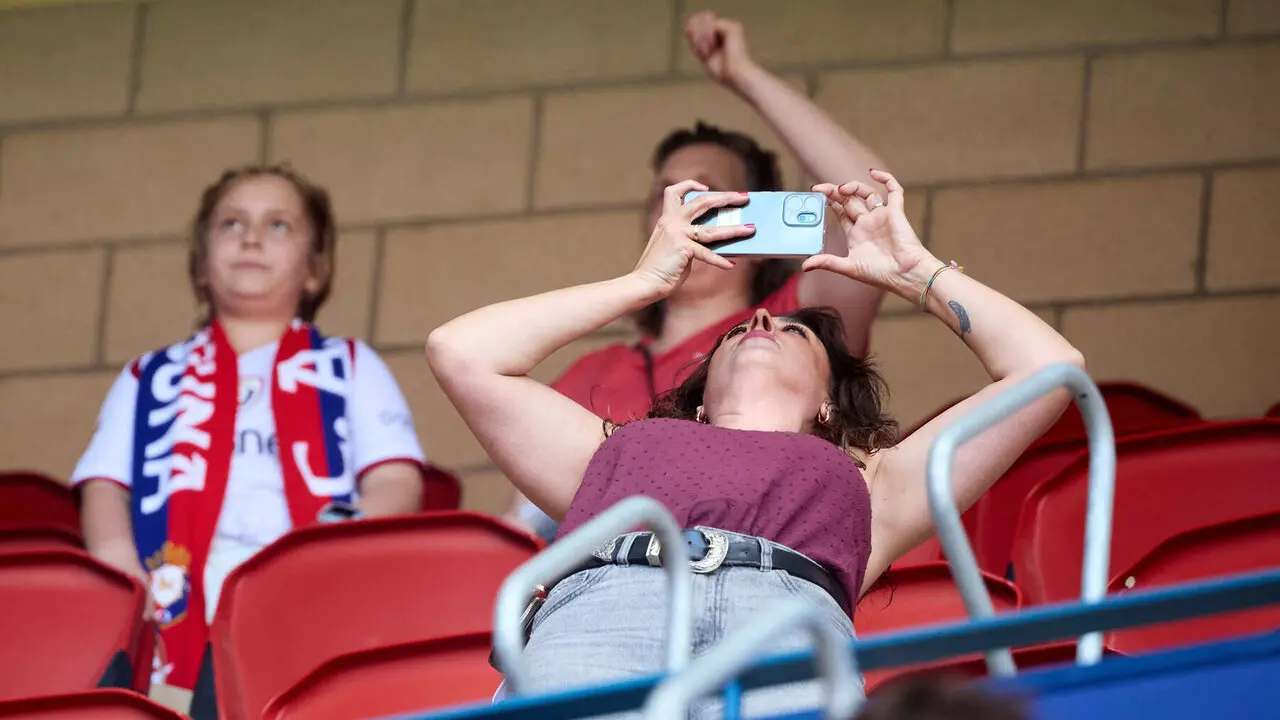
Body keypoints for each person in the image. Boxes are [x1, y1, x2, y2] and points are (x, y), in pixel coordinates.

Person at [427, 169, 1084, 716]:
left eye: (797, 333)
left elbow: (1051, 372)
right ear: (703, 394)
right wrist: (646, 284)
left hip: (785, 631)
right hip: (601, 618)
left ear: (829, 405)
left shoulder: (873, 480)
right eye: (734, 332)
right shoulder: (618, 449)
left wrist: (916, 274)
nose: (765, 317)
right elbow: (461, 353)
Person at [504, 10, 888, 541]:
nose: (684, 204)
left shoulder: (786, 327)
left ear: (755, 222)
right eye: (668, 193)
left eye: (706, 189)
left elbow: (875, 206)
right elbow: (523, 528)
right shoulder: (591, 370)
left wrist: (746, 77)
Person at [72, 165, 428, 690]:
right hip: (173, 583)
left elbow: (396, 480)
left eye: (279, 225)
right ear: (200, 263)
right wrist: (119, 564)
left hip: (302, 578)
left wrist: (337, 543)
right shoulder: (151, 376)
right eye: (231, 224)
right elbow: (105, 485)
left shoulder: (350, 366)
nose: (252, 237)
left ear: (315, 271)